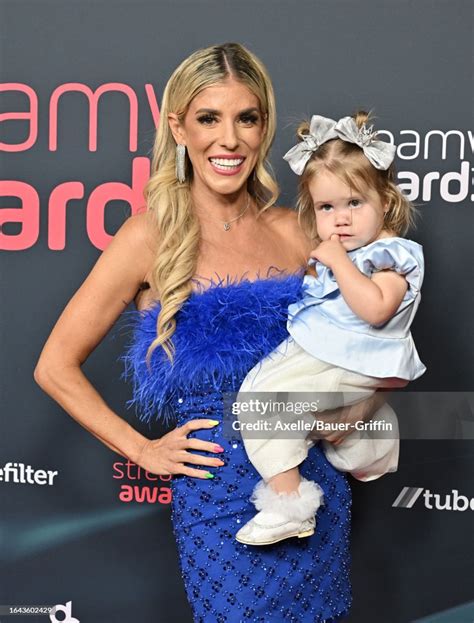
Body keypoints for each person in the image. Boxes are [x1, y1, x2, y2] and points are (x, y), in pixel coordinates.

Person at [34, 43, 387, 623]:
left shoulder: (302, 230)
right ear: (178, 126)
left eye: (246, 118)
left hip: (312, 486)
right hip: (218, 503)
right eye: (208, 119)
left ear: (264, 126)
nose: (229, 140)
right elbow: (54, 366)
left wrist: (357, 407)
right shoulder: (149, 237)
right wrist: (142, 450)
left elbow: (365, 336)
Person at [235, 112, 425, 547]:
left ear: (387, 203)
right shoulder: (340, 253)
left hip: (346, 359)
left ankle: (288, 504)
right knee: (309, 416)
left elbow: (376, 309)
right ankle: (368, 451)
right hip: (329, 357)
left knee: (258, 403)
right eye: (327, 207)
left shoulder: (393, 255)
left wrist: (338, 264)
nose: (340, 219)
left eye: (354, 203)